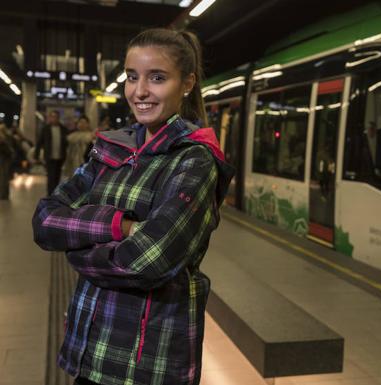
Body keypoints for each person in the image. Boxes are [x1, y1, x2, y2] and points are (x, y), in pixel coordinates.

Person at [32, 28, 234, 385]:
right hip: (88, 349)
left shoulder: (194, 160)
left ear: (186, 83)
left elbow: (146, 261)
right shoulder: (111, 149)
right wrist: (118, 227)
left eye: (157, 78)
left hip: (144, 362)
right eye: (131, 77)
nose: (139, 91)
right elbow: (45, 219)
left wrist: (76, 251)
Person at [35, 110, 68, 195]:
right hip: (49, 156)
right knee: (50, 176)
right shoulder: (45, 129)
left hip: (60, 156)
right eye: (52, 117)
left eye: (56, 117)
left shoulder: (63, 129)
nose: (54, 119)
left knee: (57, 176)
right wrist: (36, 155)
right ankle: (50, 194)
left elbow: (67, 142)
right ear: (50, 118)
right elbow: (39, 142)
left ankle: (55, 193)